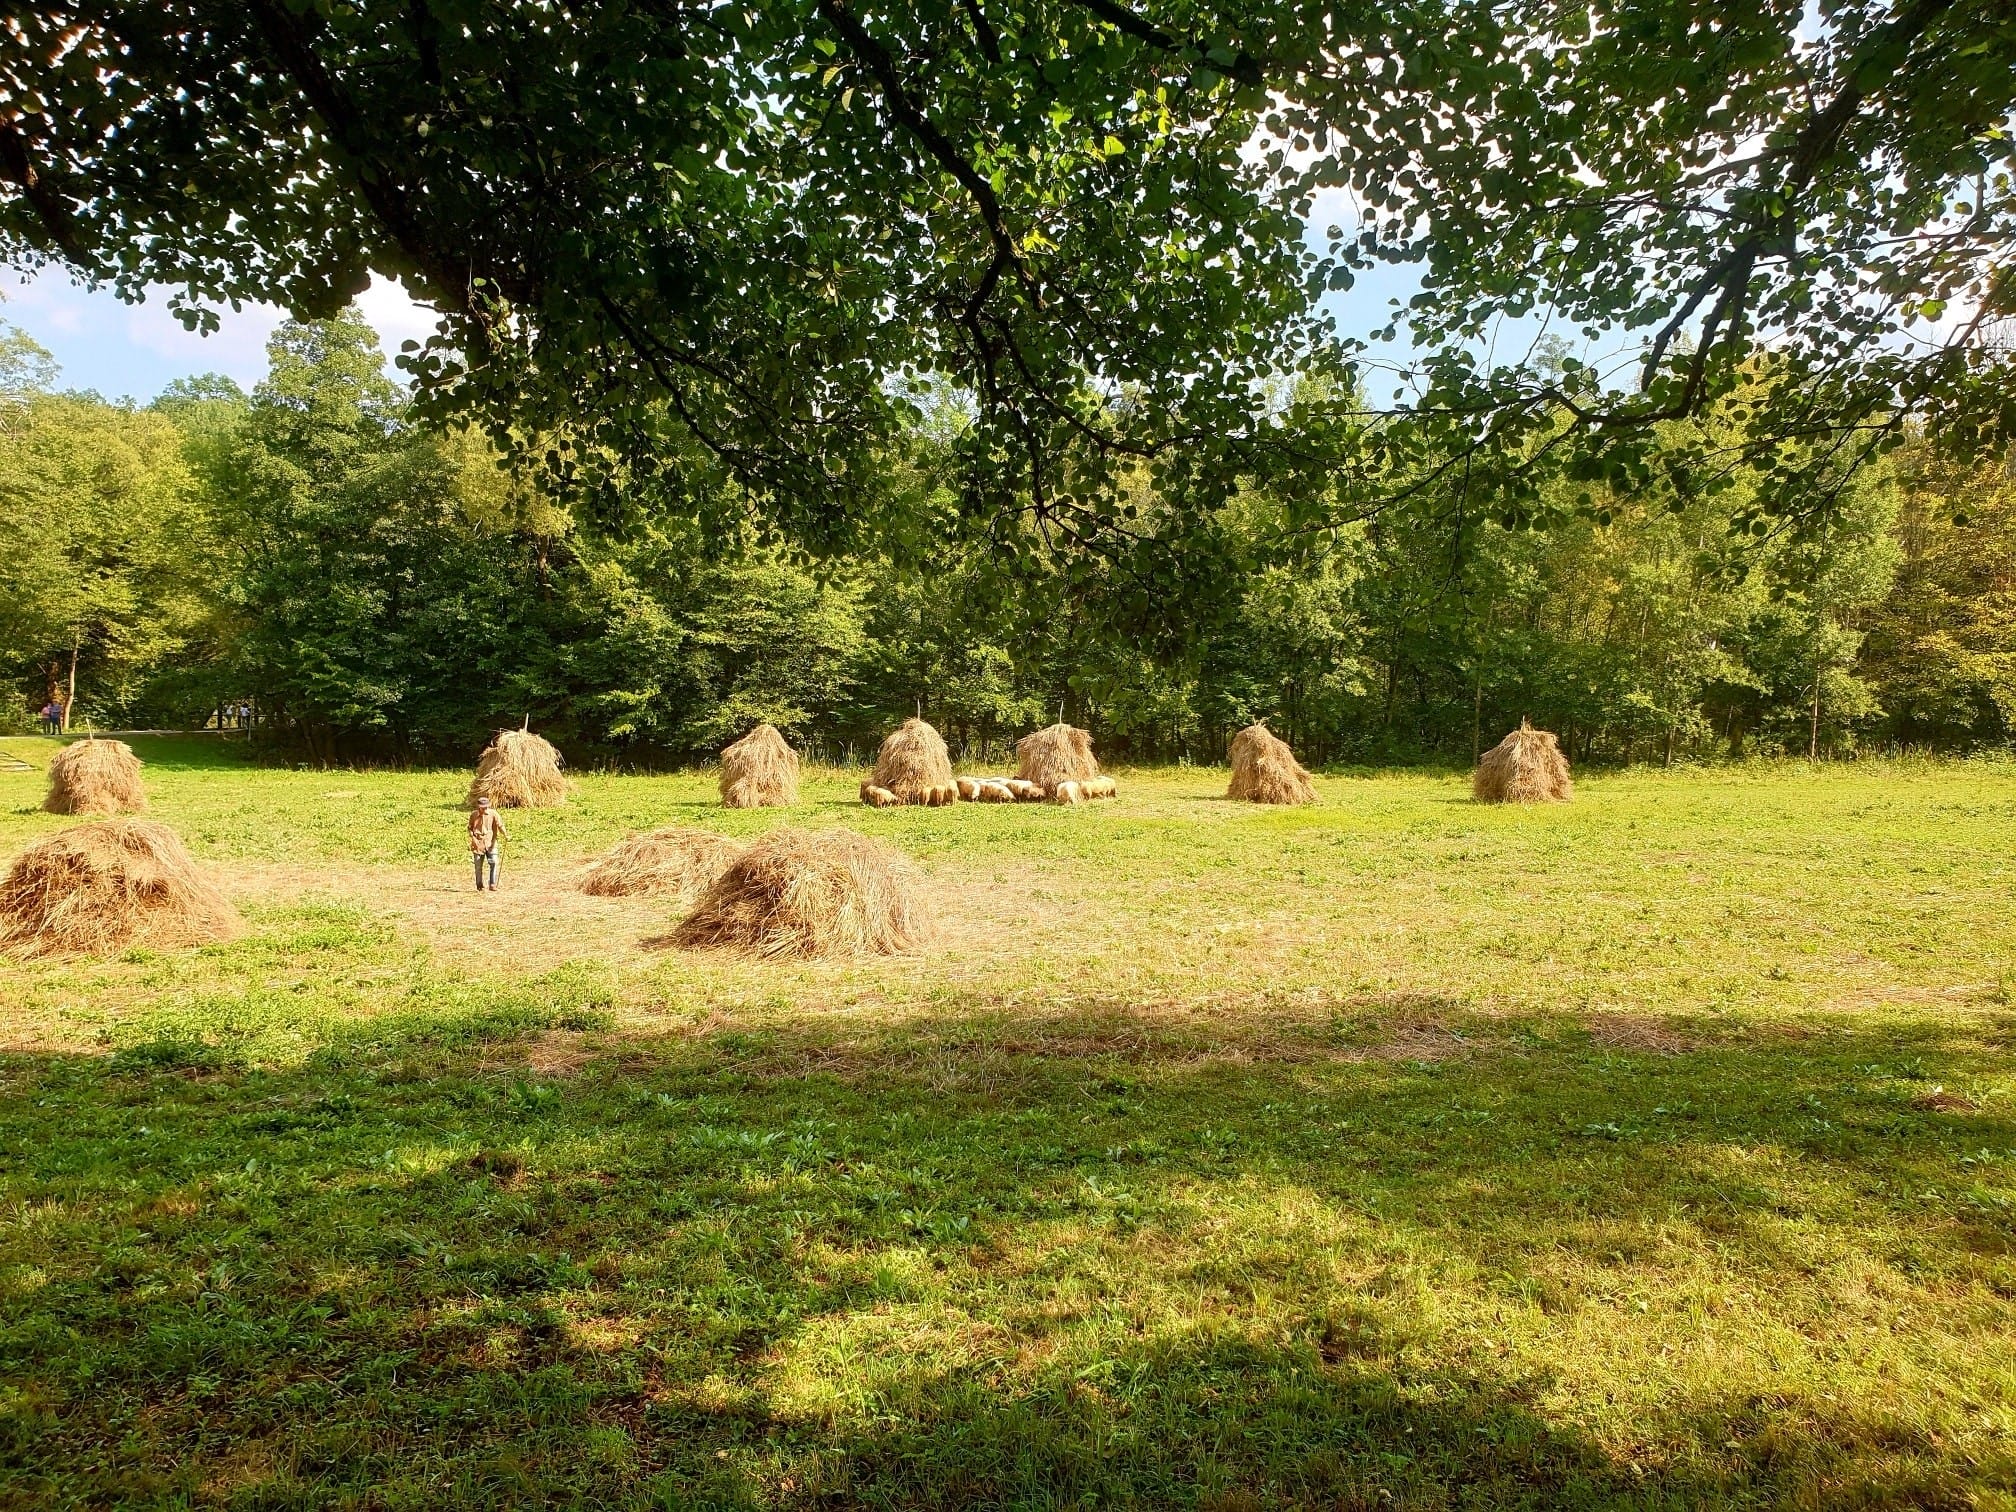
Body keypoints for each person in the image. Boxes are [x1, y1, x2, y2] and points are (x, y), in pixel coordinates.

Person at [467, 796, 508, 892]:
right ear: (479, 807)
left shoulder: (493, 814)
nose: (484, 809)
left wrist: (505, 835)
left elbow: (500, 825)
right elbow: (470, 828)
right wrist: (473, 838)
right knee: (478, 865)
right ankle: (479, 885)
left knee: (494, 862)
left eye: (486, 807)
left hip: (490, 841)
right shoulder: (474, 815)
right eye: (482, 807)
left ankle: (492, 884)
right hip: (478, 843)